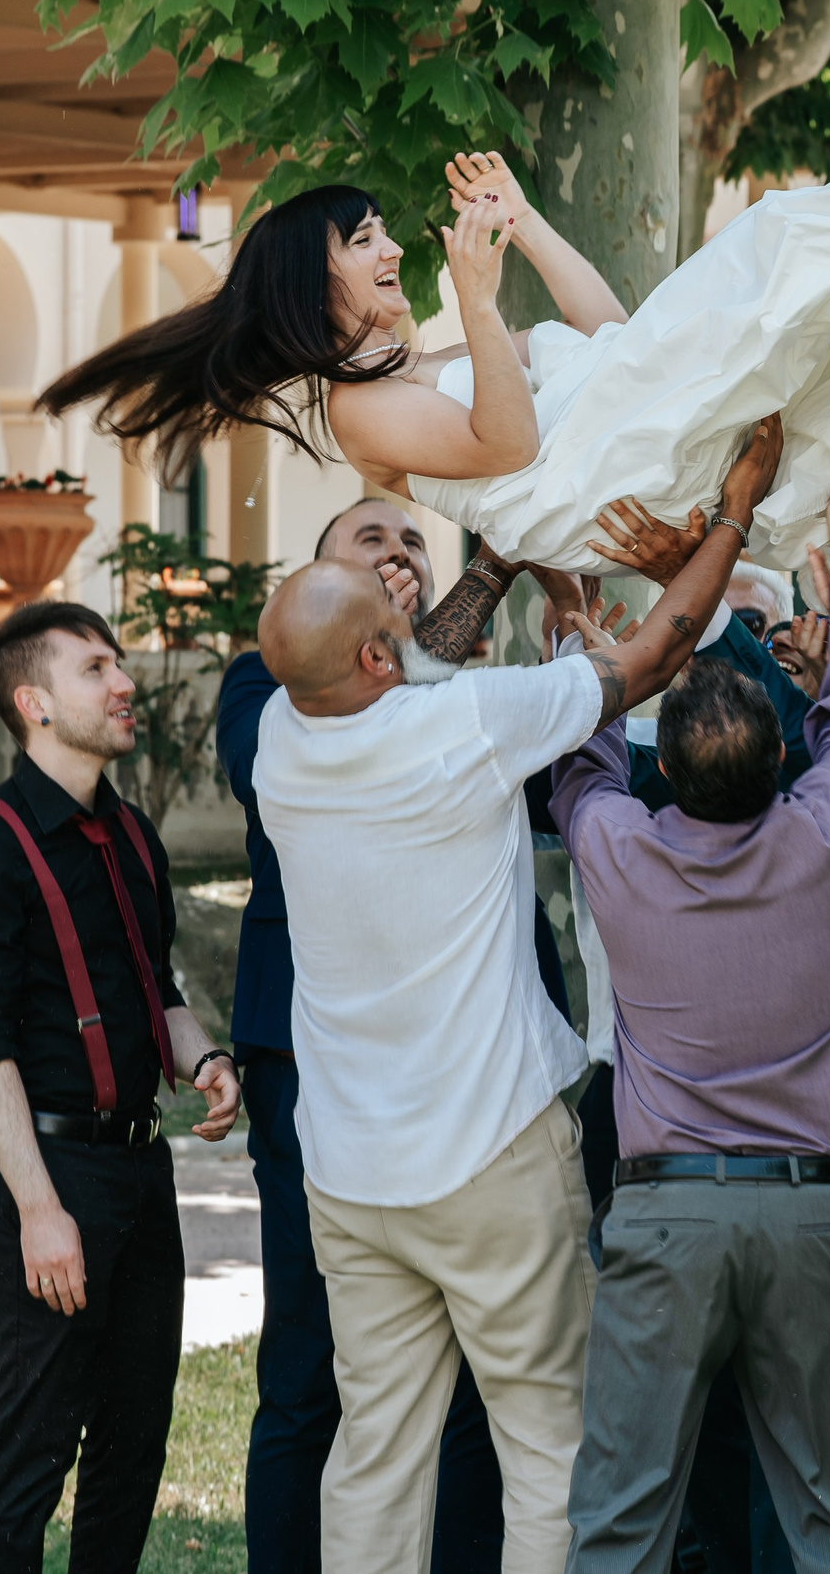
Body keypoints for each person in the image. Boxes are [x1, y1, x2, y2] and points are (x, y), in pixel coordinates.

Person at [250, 418, 781, 1573]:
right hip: (487, 1149)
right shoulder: (463, 728)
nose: (404, 604)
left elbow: (396, 656)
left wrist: (487, 568)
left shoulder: (282, 745)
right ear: (385, 661)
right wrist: (734, 508)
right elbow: (650, 656)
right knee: (548, 1440)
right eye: (390, 612)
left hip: (347, 1168)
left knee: (376, 1453)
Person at [39, 32, 830, 574]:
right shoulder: (358, 411)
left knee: (792, 295)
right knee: (771, 254)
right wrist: (472, 295)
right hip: (601, 486)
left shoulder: (425, 363)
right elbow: (508, 448)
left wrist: (527, 220)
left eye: (376, 231)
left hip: (627, 425)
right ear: (304, 283)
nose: (385, 249)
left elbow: (614, 336)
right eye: (359, 240)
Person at [551, 483, 830, 1570]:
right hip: (815, 1213)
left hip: (667, 1221)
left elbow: (583, 760)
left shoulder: (619, 846)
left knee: (620, 1520)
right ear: (779, 762)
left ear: (671, 777)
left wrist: (592, 659)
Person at [216, 499, 533, 1574]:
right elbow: (348, 706)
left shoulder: (462, 699)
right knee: (311, 1369)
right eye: (371, 542)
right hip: (315, 1073)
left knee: (482, 1385)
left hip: (469, 1078)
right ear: (316, 589)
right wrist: (480, 581)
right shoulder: (264, 682)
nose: (398, 554)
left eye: (412, 543)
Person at [0, 602, 244, 1574]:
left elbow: (158, 991)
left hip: (139, 1174)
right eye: (96, 668)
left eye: (119, 664)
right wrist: (38, 1209)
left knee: (133, 1441)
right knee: (31, 1446)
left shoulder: (132, 834)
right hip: (46, 1174)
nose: (124, 684)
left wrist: (201, 1061)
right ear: (33, 702)